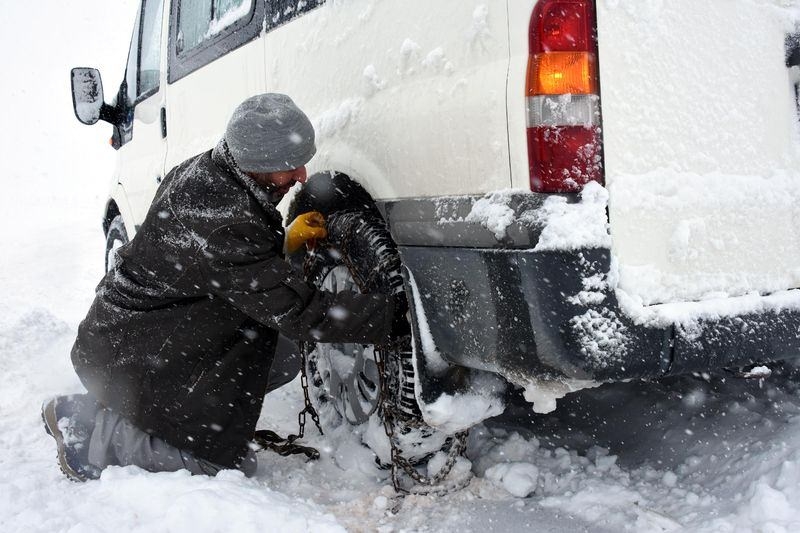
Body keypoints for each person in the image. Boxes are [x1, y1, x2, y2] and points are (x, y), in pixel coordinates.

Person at [42, 93, 401, 481]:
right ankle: (92, 433)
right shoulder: (225, 222)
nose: (301, 175)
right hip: (129, 354)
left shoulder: (212, 172)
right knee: (218, 462)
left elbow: (218, 263)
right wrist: (399, 314)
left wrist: (282, 245)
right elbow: (301, 312)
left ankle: (151, 415)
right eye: (288, 166)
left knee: (276, 354)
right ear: (257, 164)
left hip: (132, 336)